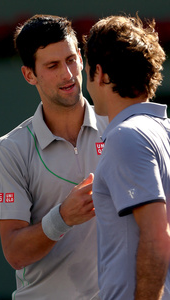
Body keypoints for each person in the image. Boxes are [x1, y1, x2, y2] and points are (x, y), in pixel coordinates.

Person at [0, 14, 108, 300]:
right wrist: (63, 217)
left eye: (70, 59)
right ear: (29, 75)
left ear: (81, 57)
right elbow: (15, 254)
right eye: (53, 66)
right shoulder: (9, 151)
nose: (67, 74)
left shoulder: (119, 127)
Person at [83, 14, 170, 300]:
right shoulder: (162, 131)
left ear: (101, 73)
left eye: (87, 72)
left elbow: (157, 237)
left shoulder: (126, 137)